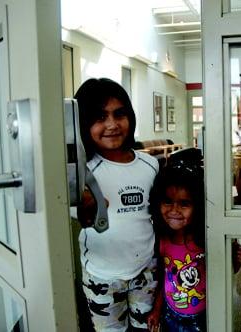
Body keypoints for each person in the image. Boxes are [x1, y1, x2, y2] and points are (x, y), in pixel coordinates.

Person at [75, 78, 159, 331]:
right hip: (102, 275)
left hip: (146, 269)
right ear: (83, 123)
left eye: (119, 114)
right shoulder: (81, 172)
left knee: (147, 328)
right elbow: (73, 214)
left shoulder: (150, 164)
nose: (111, 124)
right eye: (100, 117)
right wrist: (84, 204)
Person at [147, 160, 241, 332]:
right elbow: (163, 280)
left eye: (184, 203)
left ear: (198, 207)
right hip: (170, 314)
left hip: (204, 316)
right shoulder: (161, 239)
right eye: (167, 201)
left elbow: (226, 274)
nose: (174, 210)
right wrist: (157, 310)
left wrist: (238, 259)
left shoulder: (206, 240)